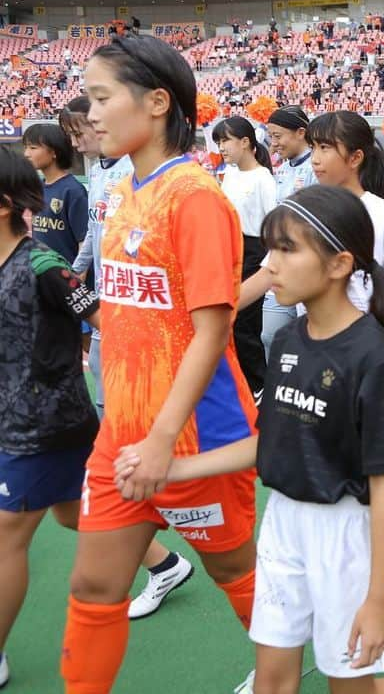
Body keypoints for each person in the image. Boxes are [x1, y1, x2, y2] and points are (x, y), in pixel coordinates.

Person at [114, 186, 384, 694]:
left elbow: (383, 484)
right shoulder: (286, 339)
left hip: (344, 538)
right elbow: (269, 442)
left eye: (287, 249)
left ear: (339, 264)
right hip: (282, 527)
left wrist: (378, 598)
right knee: (272, 684)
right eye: (270, 250)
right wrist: (170, 467)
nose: (271, 265)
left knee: (350, 690)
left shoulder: (372, 356)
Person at [60, 35, 259, 694]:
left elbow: (211, 329)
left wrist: (160, 439)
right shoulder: (122, 189)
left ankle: (309, 667)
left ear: (156, 101)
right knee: (92, 585)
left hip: (194, 436)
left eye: (100, 97)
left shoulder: (195, 196)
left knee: (241, 576)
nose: (90, 113)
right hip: (123, 434)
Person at [236, 110, 384, 555]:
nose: (317, 158)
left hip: (361, 349)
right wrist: (224, 307)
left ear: (357, 157)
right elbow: (271, 269)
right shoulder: (302, 207)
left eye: (327, 148)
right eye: (317, 147)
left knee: (365, 445)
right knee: (328, 437)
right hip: (311, 342)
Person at [60, 95, 195, 622]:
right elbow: (95, 247)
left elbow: (208, 316)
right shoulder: (103, 178)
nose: (85, 130)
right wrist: (73, 284)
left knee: (235, 563)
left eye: (97, 107)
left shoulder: (177, 187)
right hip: (112, 326)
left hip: (148, 343)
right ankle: (159, 560)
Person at [0, 149, 102, 690]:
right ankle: (161, 564)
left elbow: (101, 316)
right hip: (12, 418)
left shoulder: (43, 264)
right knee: (69, 514)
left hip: (45, 423)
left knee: (6, 538)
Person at [214, 116, 277, 398]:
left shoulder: (263, 178)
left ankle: (258, 384)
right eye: (218, 141)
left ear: (246, 142)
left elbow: (272, 225)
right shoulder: (231, 174)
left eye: (225, 140)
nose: (221, 147)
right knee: (228, 322)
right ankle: (243, 383)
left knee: (243, 323)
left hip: (254, 253)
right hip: (230, 251)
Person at [262, 105, 317, 360]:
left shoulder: (317, 168)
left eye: (277, 136)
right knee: (269, 335)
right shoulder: (282, 168)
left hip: (309, 268)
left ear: (300, 133)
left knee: (310, 343)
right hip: (279, 264)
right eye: (270, 136)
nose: (274, 143)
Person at [22, 124, 88, 266]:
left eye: (33, 148)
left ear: (54, 152)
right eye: (26, 147)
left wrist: (77, 277)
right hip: (44, 274)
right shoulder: (37, 187)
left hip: (66, 278)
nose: (26, 153)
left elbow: (84, 241)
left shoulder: (73, 191)